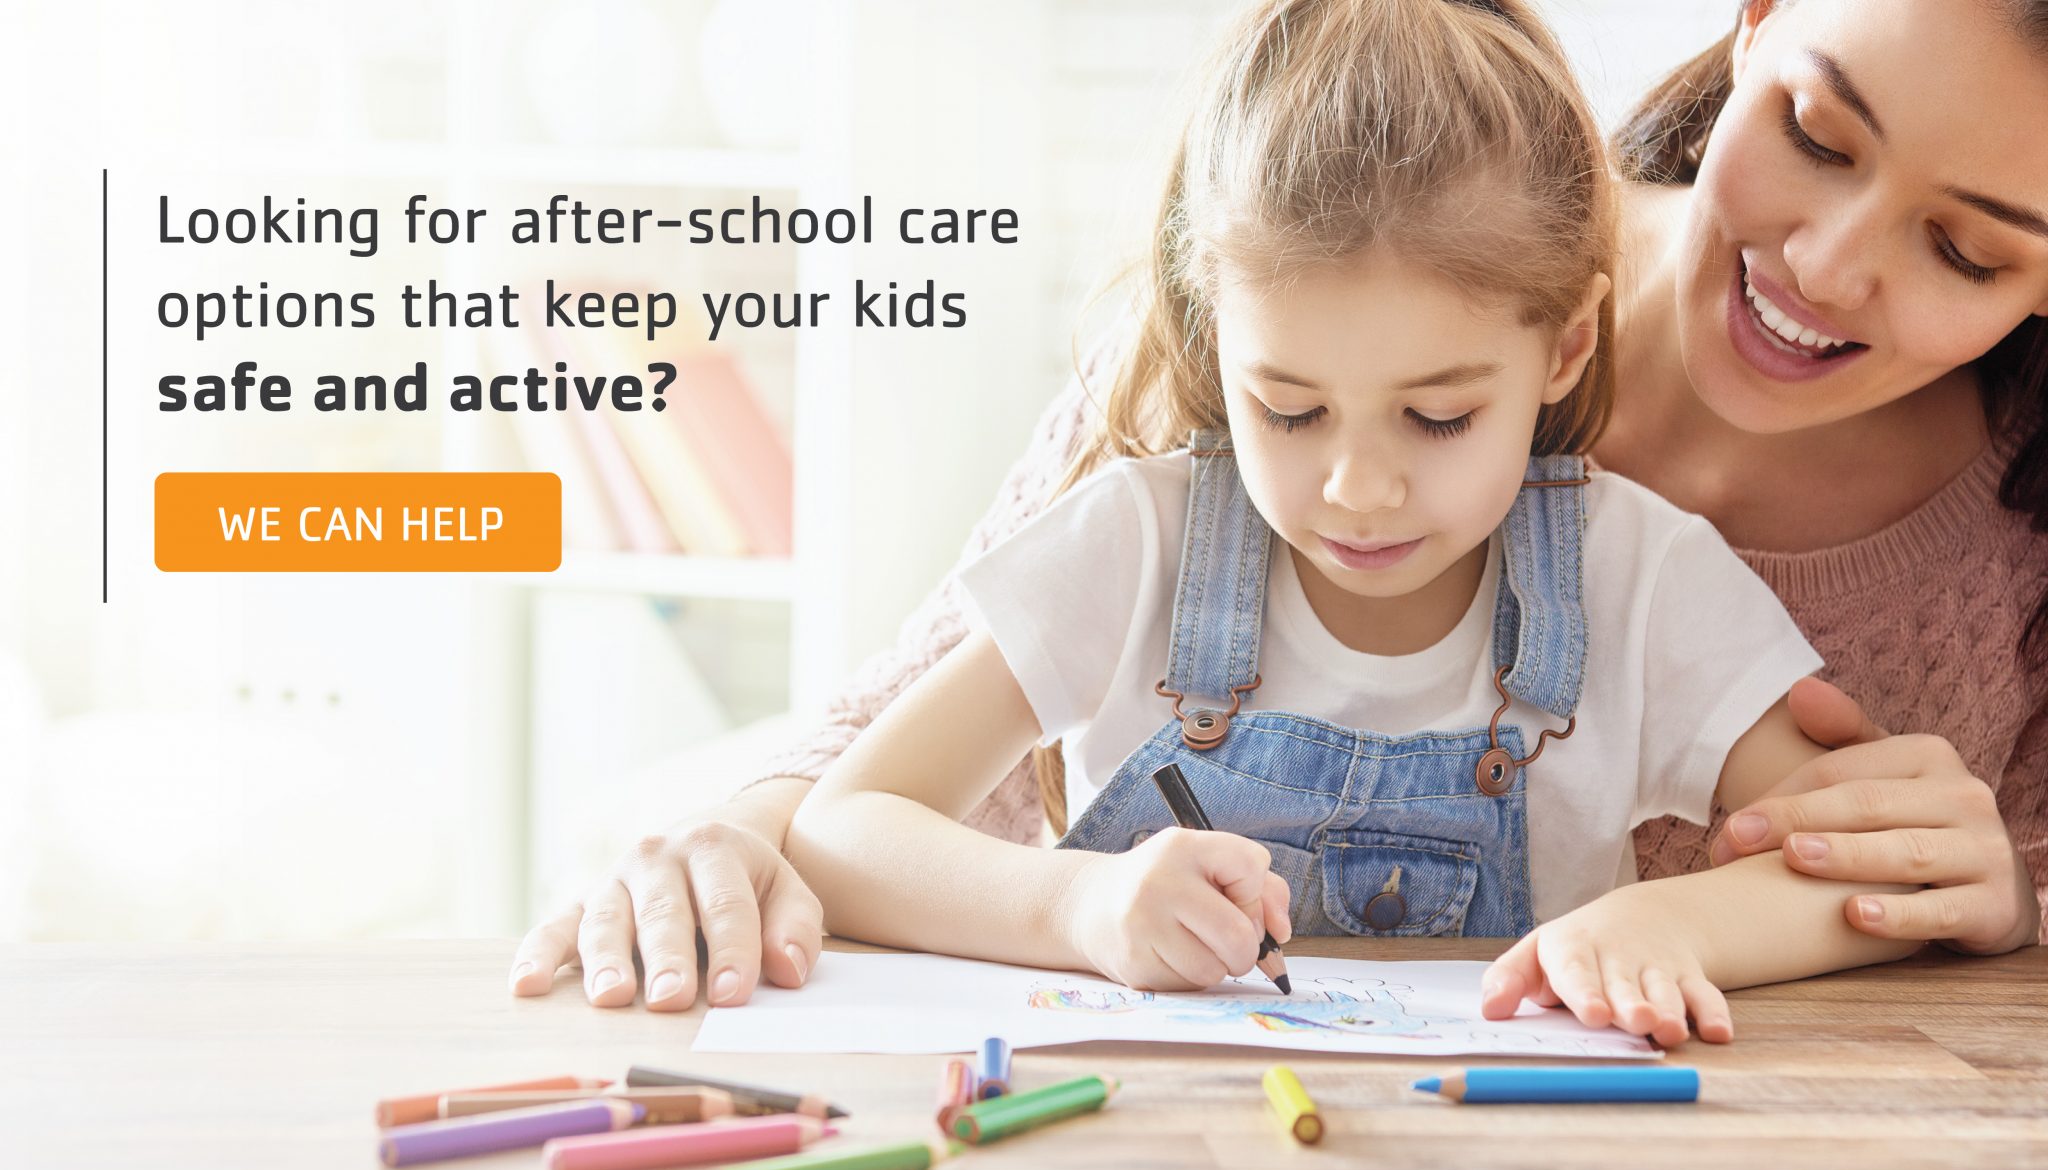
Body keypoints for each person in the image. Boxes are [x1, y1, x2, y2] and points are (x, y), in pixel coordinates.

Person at [512, 0, 2047, 1012]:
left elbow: (1836, 883)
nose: (1355, 484)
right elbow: (858, 793)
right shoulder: (1163, 503)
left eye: (1971, 250)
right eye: (1817, 134)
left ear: (1557, 346)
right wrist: (1067, 908)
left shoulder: (1646, 575)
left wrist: (1956, 903)